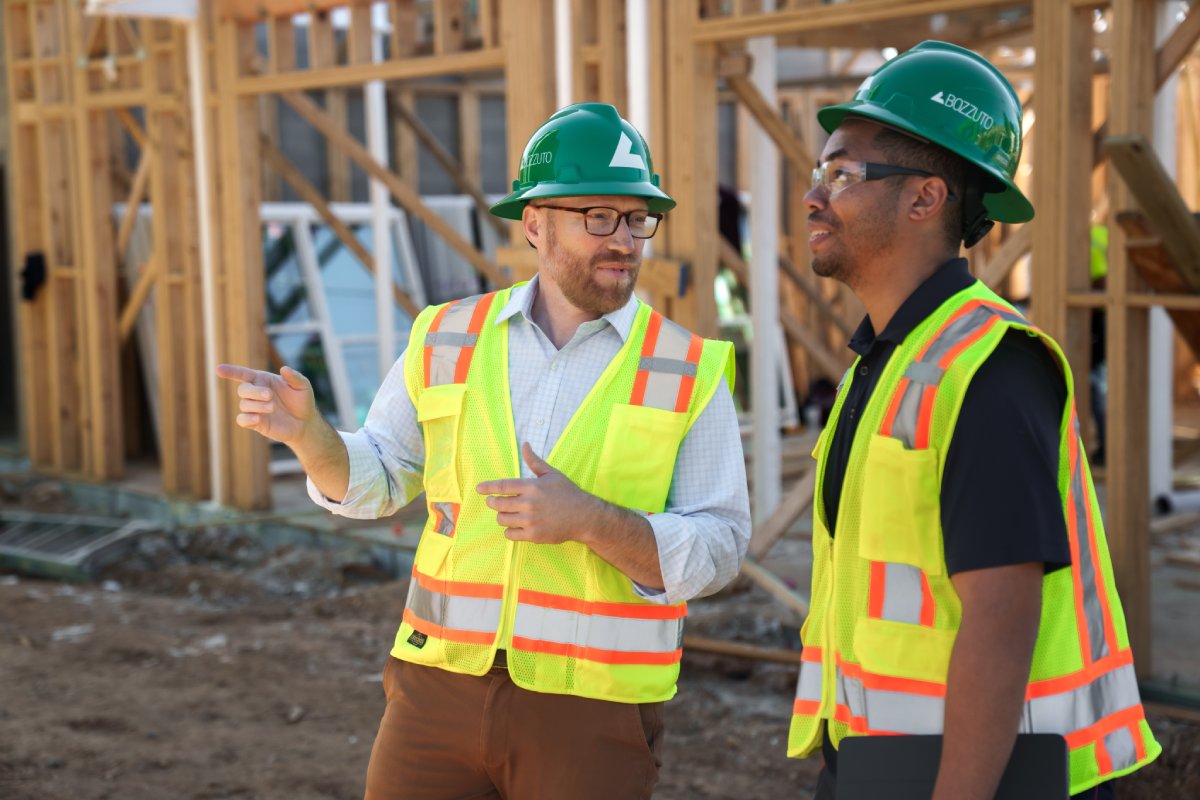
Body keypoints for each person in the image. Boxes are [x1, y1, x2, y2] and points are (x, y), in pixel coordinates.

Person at [217, 102, 750, 800]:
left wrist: (588, 519)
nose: (623, 239)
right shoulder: (446, 336)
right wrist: (307, 436)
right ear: (535, 223)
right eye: (599, 217)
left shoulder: (688, 369)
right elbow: (378, 477)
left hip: (592, 709)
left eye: (636, 218)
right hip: (436, 691)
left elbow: (720, 547)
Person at [787, 41, 1160, 799]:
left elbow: (1000, 614)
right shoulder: (887, 362)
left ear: (925, 199)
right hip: (884, 763)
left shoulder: (991, 366)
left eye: (843, 173)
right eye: (819, 171)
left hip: (992, 777)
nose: (813, 195)